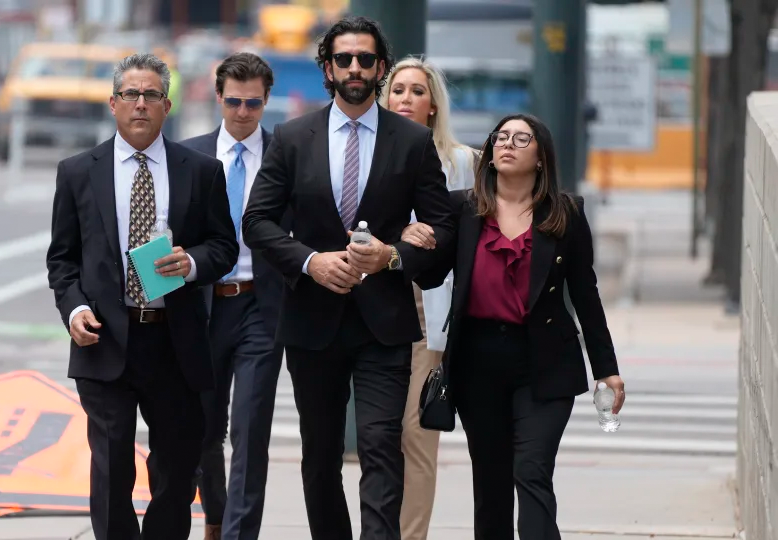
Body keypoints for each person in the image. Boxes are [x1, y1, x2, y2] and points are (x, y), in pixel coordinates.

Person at [241, 16, 456, 540]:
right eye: (344, 59)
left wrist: (394, 255)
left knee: (382, 445)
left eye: (365, 59)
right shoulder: (293, 138)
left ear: (380, 69)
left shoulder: (410, 141)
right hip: (313, 321)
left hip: (384, 322)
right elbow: (257, 221)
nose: (355, 68)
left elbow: (442, 228)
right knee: (320, 454)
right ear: (327, 69)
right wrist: (311, 261)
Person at [45, 53, 238, 540]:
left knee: (176, 469)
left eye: (151, 95)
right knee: (111, 468)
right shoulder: (76, 172)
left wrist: (191, 263)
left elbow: (223, 246)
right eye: (130, 94)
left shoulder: (201, 171)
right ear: (112, 103)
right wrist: (76, 309)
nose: (140, 104)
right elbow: (62, 260)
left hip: (175, 341)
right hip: (105, 339)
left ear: (166, 105)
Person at [410, 113, 626, 540]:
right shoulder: (462, 208)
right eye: (501, 137)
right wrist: (417, 241)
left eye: (520, 139)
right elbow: (432, 275)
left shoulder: (566, 213)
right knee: (490, 485)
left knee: (531, 472)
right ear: (490, 153)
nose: (507, 144)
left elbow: (586, 293)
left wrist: (607, 367)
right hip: (477, 362)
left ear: (541, 157)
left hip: (544, 361)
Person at [179, 52, 287, 540]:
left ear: (266, 101)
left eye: (254, 103)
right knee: (203, 429)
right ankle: (217, 517)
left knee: (250, 428)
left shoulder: (287, 155)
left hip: (261, 307)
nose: (243, 112)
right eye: (234, 101)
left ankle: (241, 534)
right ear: (218, 97)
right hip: (202, 306)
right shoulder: (189, 156)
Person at [378, 55, 478, 540]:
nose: (407, 99)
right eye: (398, 90)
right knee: (378, 438)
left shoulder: (461, 163)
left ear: (434, 105)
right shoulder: (366, 152)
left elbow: (476, 245)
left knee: (417, 438)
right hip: (372, 309)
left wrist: (437, 234)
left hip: (428, 312)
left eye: (418, 91)